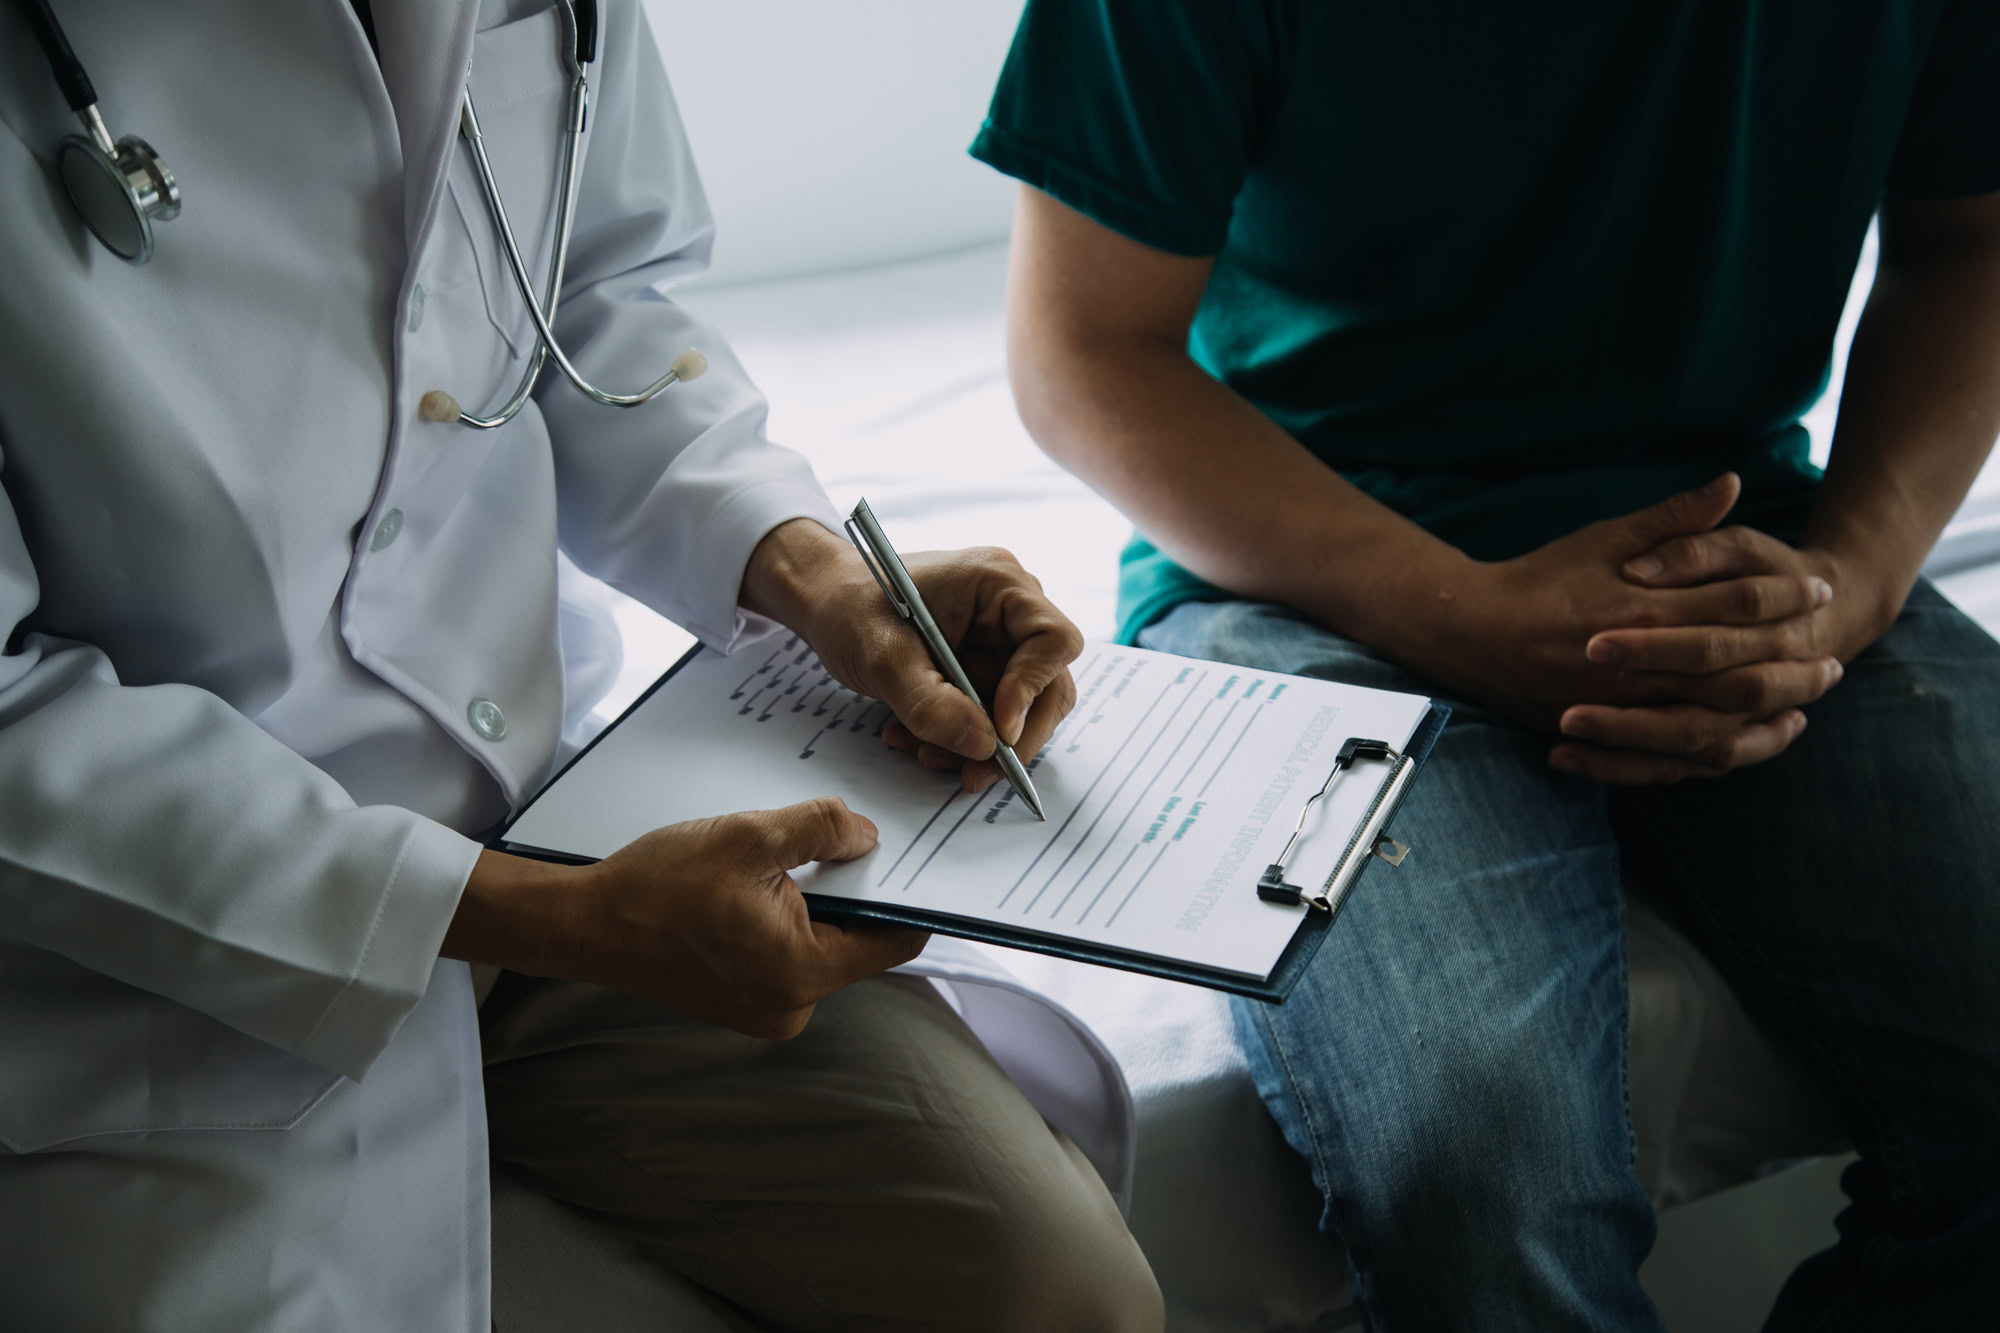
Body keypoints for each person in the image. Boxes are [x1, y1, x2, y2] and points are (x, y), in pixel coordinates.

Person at [0, 2, 1164, 1329]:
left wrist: (812, 571)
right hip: (152, 947)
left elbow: (588, 301)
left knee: (1059, 1295)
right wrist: (549, 919)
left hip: (551, 804)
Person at [974, 0, 2000, 1326]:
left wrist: (1852, 581)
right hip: (1298, 569)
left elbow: (1970, 239)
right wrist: (1467, 617)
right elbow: (1080, 351)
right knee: (1486, 1168)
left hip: (1752, 538)